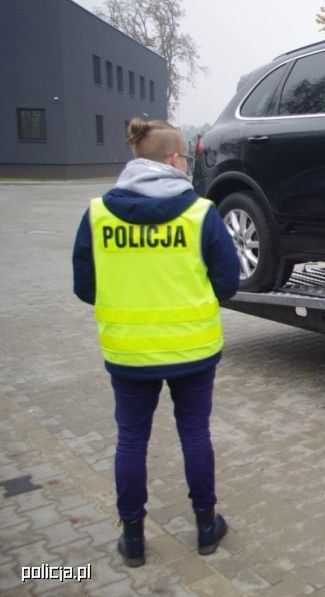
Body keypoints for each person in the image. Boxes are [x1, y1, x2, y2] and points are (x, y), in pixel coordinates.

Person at [72, 118, 240, 567]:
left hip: (128, 352)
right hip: (193, 351)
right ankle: (206, 527)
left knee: (130, 441)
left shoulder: (97, 214)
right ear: (171, 160)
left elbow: (85, 288)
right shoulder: (200, 214)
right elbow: (228, 282)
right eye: (185, 157)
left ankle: (132, 538)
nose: (186, 164)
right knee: (194, 435)